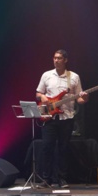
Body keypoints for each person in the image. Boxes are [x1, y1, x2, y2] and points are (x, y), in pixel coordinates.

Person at [36, 49, 88, 188]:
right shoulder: (46, 75)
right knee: (47, 147)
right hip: (49, 117)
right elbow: (38, 93)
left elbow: (80, 99)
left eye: (59, 58)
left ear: (65, 60)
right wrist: (43, 97)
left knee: (63, 148)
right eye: (54, 58)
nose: (56, 60)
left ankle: (61, 178)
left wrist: (85, 97)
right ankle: (46, 178)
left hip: (66, 117)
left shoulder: (74, 77)